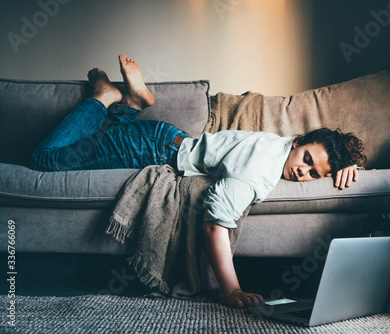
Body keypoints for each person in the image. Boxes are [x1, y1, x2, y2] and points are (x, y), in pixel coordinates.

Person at [30, 55, 366, 309]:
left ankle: (131, 103)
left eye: (314, 173)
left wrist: (345, 165)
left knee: (95, 141)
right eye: (306, 159)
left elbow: (320, 157)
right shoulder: (259, 170)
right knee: (46, 159)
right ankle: (103, 97)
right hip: (147, 148)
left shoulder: (278, 145)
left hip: (162, 139)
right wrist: (231, 290)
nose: (303, 173)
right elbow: (214, 226)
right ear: (298, 141)